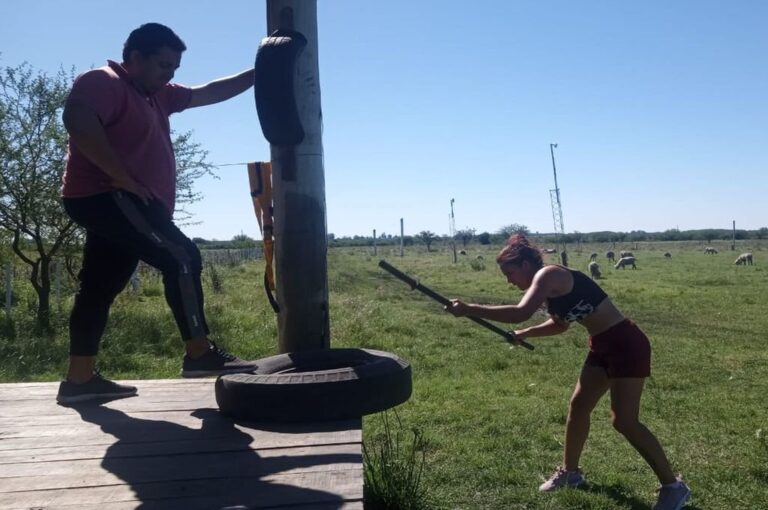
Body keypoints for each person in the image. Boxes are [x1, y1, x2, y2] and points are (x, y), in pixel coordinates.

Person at [57, 23, 258, 404]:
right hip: (108, 195)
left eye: (175, 68)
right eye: (163, 65)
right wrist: (123, 178)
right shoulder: (104, 81)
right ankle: (199, 353)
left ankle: (79, 380)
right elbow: (78, 120)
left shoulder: (157, 96)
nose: (170, 75)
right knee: (182, 257)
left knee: (99, 287)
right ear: (134, 58)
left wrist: (260, 71)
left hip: (118, 201)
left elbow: (208, 92)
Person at [446, 235, 690, 510]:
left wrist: (468, 309)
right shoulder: (549, 290)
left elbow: (519, 312)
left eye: (510, 273)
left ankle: (674, 487)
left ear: (526, 264)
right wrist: (527, 334)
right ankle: (570, 473)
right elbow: (560, 325)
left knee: (624, 421)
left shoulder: (549, 275)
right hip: (601, 345)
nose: (509, 281)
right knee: (578, 406)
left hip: (626, 344)